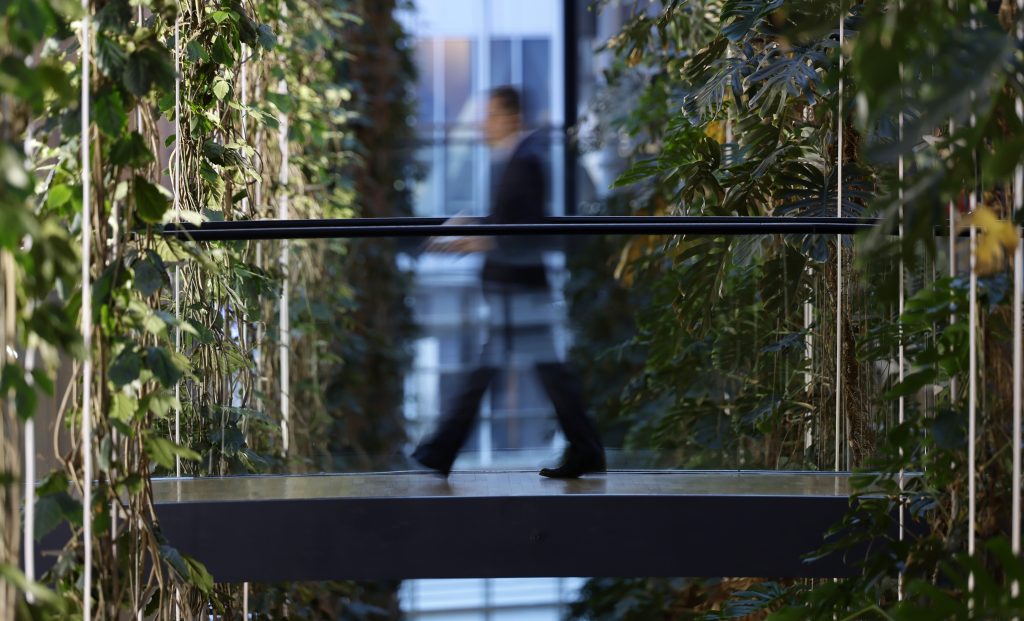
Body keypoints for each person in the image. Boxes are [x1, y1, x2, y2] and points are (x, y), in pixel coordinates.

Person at [412, 86, 605, 479]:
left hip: (519, 287)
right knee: (537, 372)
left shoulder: (525, 160)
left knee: (509, 372)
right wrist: (472, 226)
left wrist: (472, 241)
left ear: (512, 117)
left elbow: (522, 230)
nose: (483, 124)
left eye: (491, 115)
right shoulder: (517, 158)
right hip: (515, 286)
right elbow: (510, 222)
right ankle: (585, 449)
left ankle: (441, 450)